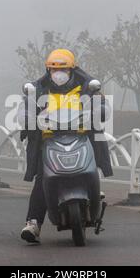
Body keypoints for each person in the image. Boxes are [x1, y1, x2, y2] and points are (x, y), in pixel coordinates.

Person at [18, 49, 113, 243]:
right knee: (42, 179)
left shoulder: (86, 87)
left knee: (92, 162)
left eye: (64, 70)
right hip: (49, 140)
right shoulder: (40, 89)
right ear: (48, 70)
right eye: (53, 70)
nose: (58, 74)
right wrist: (27, 118)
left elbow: (102, 105)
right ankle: (33, 223)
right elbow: (25, 109)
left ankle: (93, 188)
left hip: (80, 137)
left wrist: (100, 110)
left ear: (72, 69)